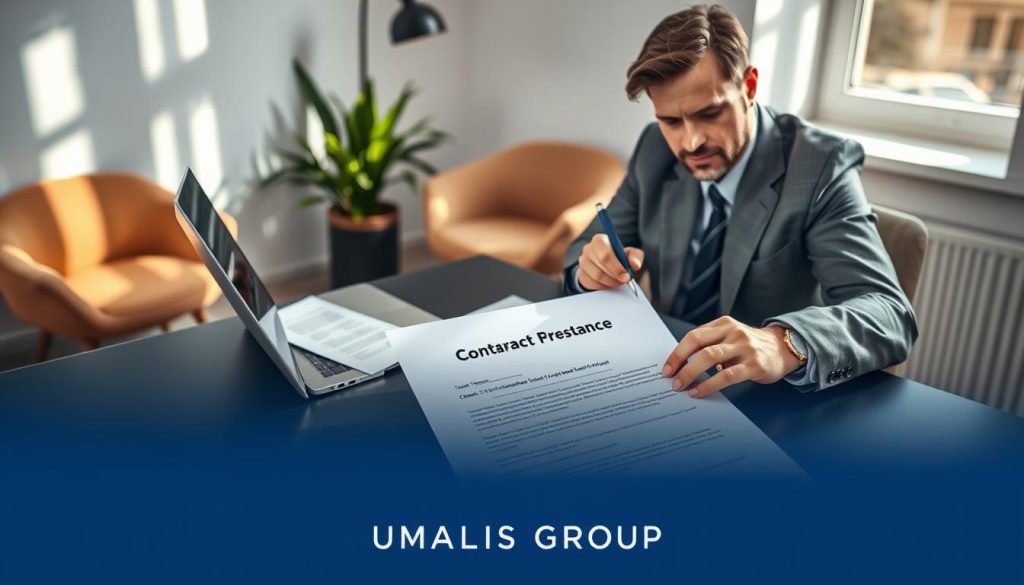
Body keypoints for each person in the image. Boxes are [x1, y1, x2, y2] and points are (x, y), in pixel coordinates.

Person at [563, 4, 917, 398]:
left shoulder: (818, 167)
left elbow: (889, 315)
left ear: (748, 87)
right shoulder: (654, 151)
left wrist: (783, 343)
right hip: (662, 377)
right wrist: (589, 270)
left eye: (709, 113)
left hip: (766, 398)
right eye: (672, 122)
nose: (691, 142)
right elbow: (584, 250)